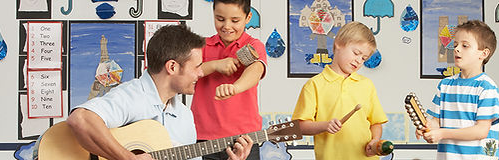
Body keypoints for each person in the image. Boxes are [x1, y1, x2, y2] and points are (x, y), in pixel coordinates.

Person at [66, 24, 253, 160]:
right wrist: (128, 157)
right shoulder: (132, 96)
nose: (201, 72)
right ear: (172, 67)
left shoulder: (185, 117)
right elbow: (80, 119)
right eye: (196, 67)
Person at [291, 21, 388, 160]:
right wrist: (325, 126)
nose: (358, 61)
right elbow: (300, 126)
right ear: (339, 43)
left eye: (364, 58)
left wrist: (375, 141)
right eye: (356, 53)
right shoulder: (314, 85)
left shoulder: (367, 85)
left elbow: (375, 123)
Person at [191, 0, 266, 159]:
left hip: (245, 138)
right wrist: (214, 65)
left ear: (248, 17)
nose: (226, 26)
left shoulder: (254, 45)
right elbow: (188, 72)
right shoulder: (201, 46)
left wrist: (234, 88)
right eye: (220, 19)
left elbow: (256, 69)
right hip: (204, 136)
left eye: (235, 20)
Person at [415, 20, 499, 160]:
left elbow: (481, 131)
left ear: (483, 54)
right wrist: (427, 128)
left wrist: (442, 133)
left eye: (465, 45)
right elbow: (436, 122)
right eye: (455, 45)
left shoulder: (486, 87)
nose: (456, 49)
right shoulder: (445, 85)